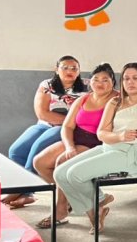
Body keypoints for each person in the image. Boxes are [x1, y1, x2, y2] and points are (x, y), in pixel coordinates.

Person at [53, 63, 137, 233]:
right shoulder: (115, 102)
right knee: (60, 173)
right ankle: (98, 207)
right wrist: (120, 136)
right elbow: (101, 133)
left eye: (136, 78)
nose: (130, 82)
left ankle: (98, 203)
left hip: (134, 154)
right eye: (126, 78)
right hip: (110, 147)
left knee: (74, 174)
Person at [32, 63, 119, 228]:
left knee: (61, 162)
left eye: (105, 80)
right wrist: (70, 146)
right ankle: (82, 200)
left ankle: (64, 210)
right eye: (96, 79)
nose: (100, 83)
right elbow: (67, 126)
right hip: (76, 139)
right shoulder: (84, 98)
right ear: (90, 81)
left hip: (97, 143)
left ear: (113, 82)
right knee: (40, 162)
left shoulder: (117, 99)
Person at [3, 55, 88, 208]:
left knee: (36, 150)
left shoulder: (87, 87)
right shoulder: (47, 85)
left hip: (65, 129)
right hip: (45, 124)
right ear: (57, 69)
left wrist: (68, 124)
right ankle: (27, 194)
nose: (70, 71)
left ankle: (22, 188)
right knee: (16, 150)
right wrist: (68, 119)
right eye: (65, 67)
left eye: (74, 68)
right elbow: (42, 113)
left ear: (79, 71)